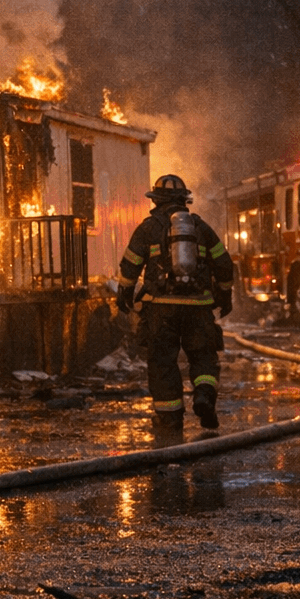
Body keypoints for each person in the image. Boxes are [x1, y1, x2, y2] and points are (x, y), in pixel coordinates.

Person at [116, 174, 236, 433]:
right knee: (203, 357)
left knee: (162, 363)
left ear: (156, 200)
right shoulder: (200, 228)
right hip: (199, 307)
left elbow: (130, 264)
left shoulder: (148, 228)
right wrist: (224, 295)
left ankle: (170, 420)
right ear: (185, 200)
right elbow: (224, 265)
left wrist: (124, 292)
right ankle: (204, 394)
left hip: (161, 308)